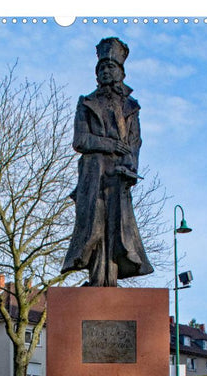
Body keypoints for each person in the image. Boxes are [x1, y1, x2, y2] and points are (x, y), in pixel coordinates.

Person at [61, 37, 153, 287]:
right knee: (94, 226)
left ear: (121, 72)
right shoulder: (86, 102)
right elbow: (80, 140)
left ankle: (109, 283)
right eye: (101, 68)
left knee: (118, 230)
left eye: (110, 67)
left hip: (119, 175)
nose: (105, 72)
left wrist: (130, 167)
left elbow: (135, 141)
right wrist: (109, 145)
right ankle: (97, 280)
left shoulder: (131, 106)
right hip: (94, 173)